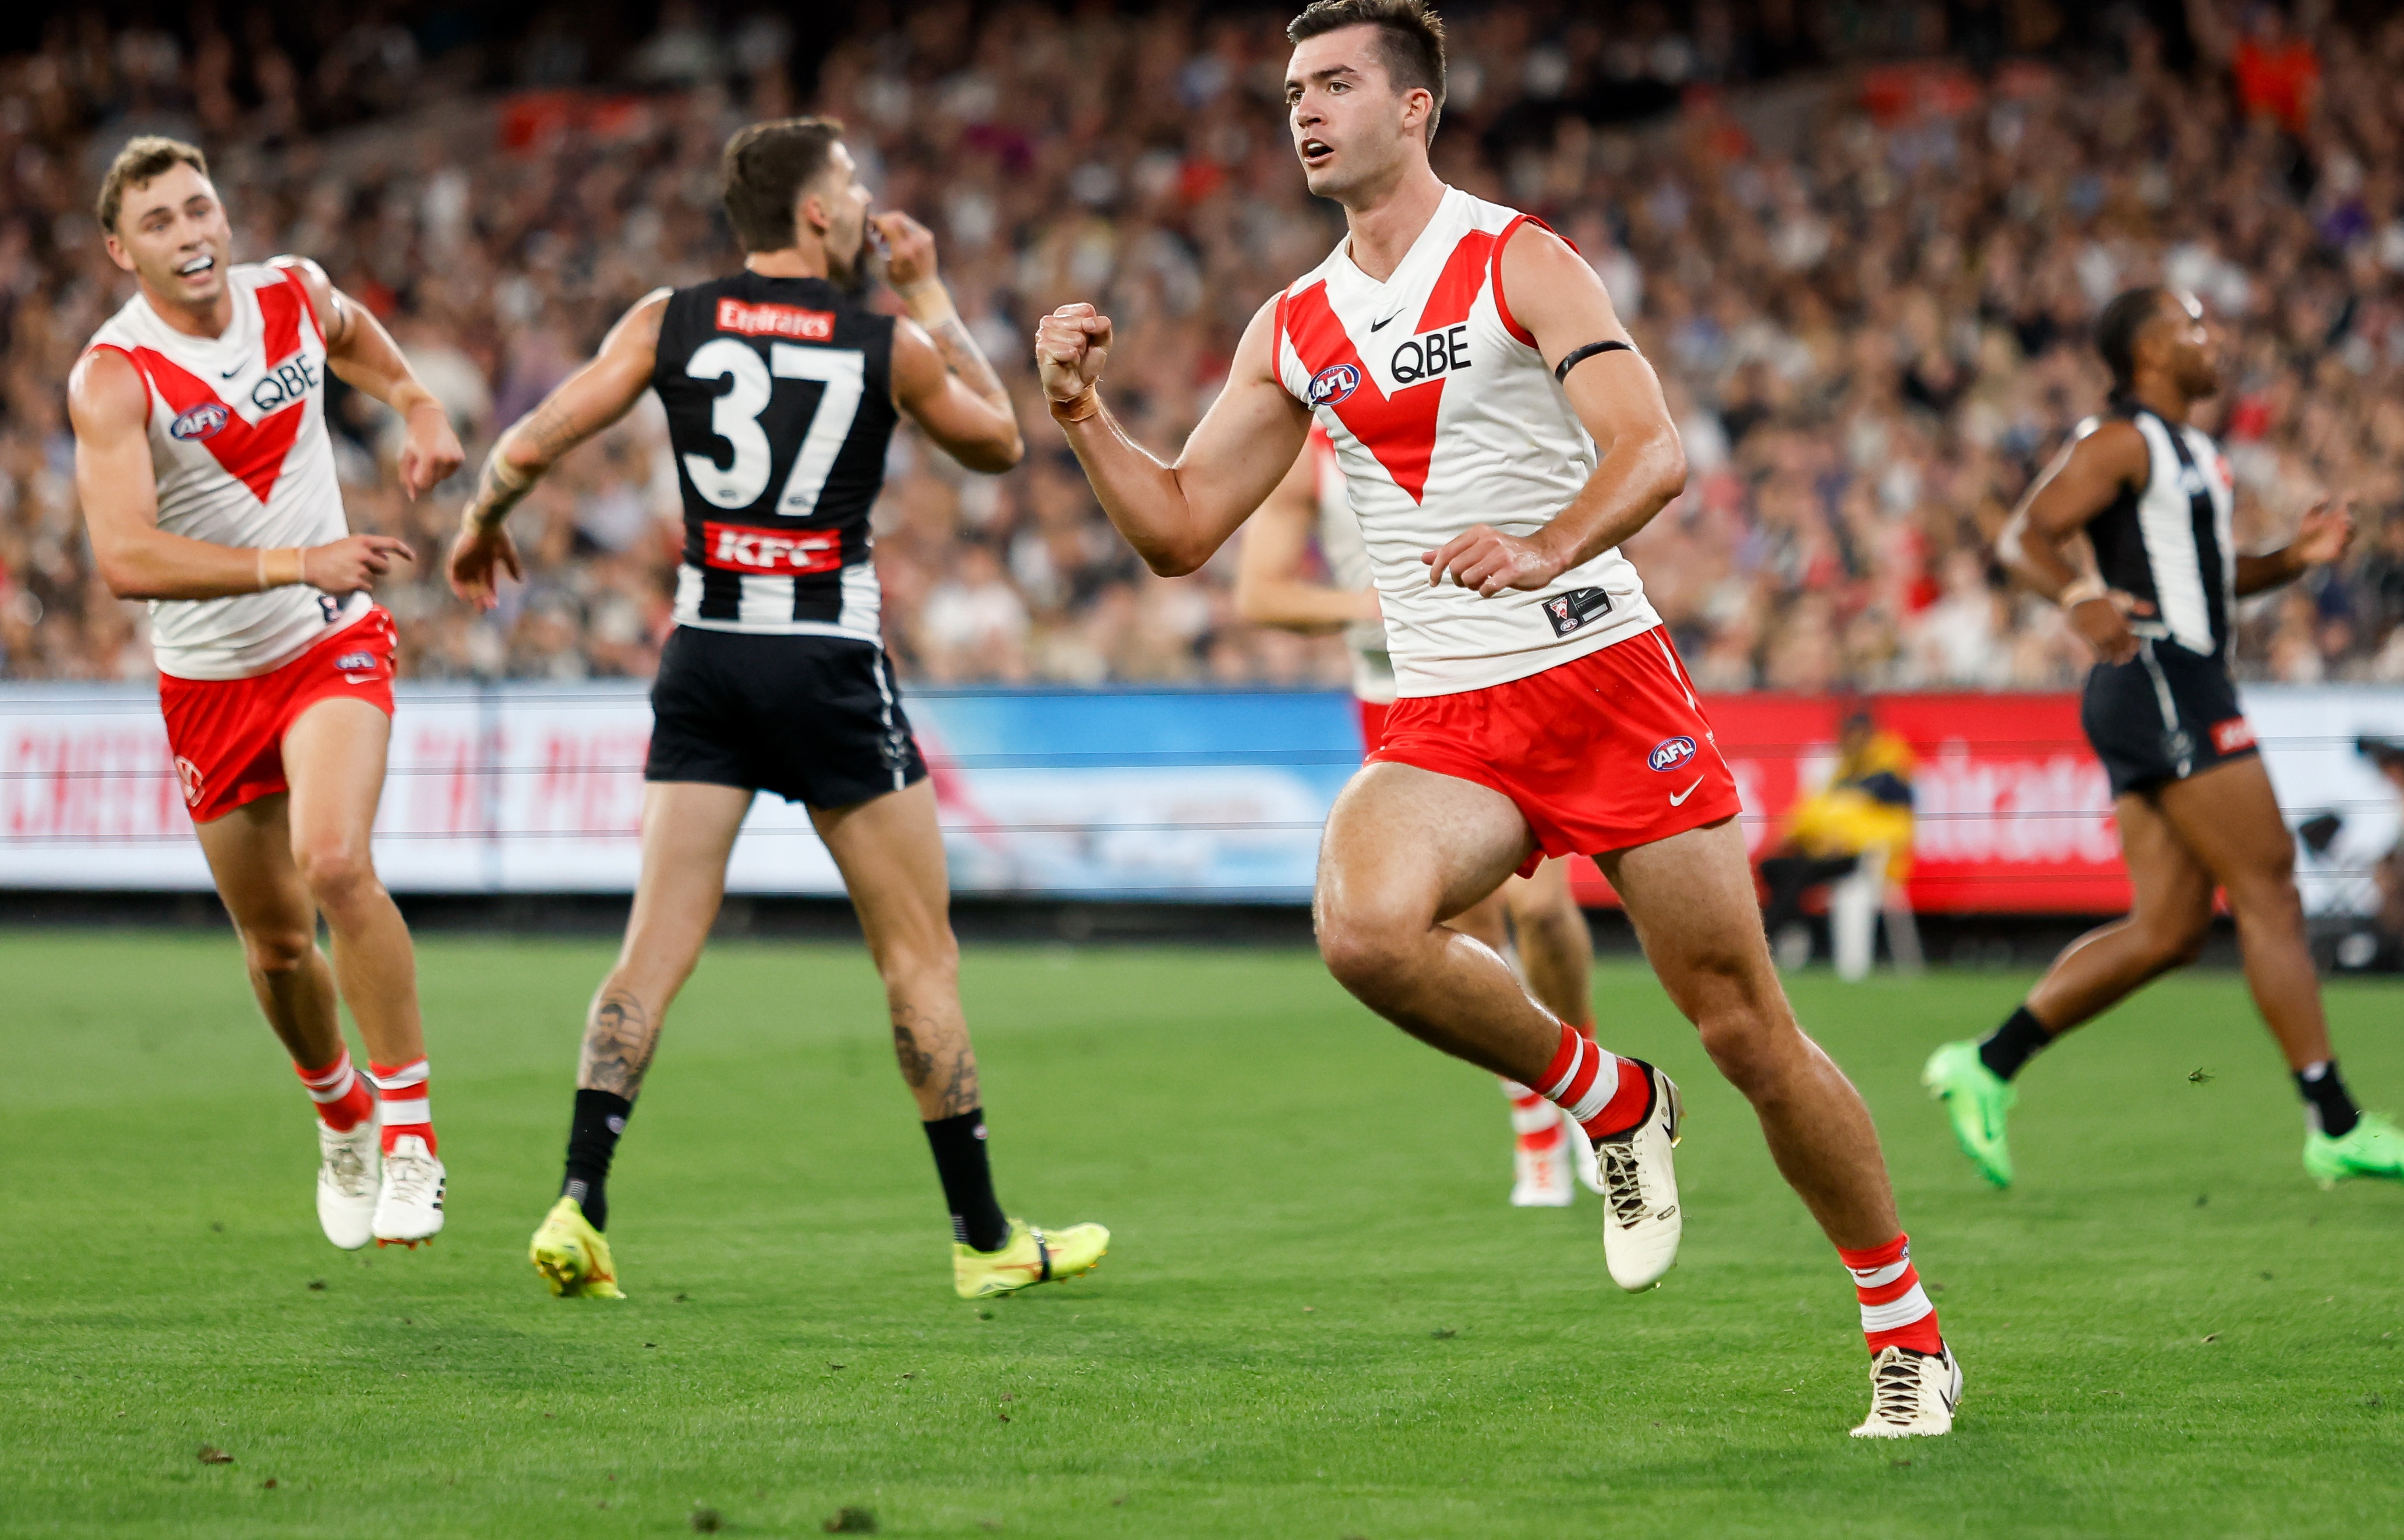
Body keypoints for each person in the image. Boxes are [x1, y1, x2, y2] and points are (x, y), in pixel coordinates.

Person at [1036, 0, 1960, 1437]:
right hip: (1448, 712)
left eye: (1333, 83)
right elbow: (1175, 529)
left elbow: (1648, 450)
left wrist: (1543, 546)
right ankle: (1605, 1100)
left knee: (1744, 1028)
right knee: (1360, 926)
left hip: (1600, 679)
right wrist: (1086, 415)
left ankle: (1901, 1326)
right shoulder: (1290, 325)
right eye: (1290, 89)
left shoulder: (1516, 258)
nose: (1302, 108)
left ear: (1414, 108)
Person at [447, 117, 1107, 1302]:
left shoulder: (668, 318)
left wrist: (481, 521)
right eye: (850, 185)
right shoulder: (884, 340)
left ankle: (578, 1198)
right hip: (825, 656)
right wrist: (933, 289)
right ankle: (984, 1235)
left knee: (651, 949)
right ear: (815, 213)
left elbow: (538, 435)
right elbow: (1003, 442)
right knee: (919, 954)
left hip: (705, 653)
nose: (862, 203)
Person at [1923, 287, 2404, 1192]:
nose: (2213, 341)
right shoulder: (2120, 439)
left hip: (2166, 679)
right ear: (2145, 354)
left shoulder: (2195, 452)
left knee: (2170, 929)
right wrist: (2075, 597)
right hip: (2163, 677)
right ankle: (2333, 1121)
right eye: (2191, 328)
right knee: (2268, 883)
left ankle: (1986, 1063)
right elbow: (2025, 536)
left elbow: (2208, 575)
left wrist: (2291, 560)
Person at [66, 136, 465, 1249]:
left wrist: (420, 405)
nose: (191, 234)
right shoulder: (115, 377)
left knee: (336, 860)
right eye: (161, 222)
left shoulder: (291, 291)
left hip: (329, 638)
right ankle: (338, 1114)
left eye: (201, 209)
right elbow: (125, 559)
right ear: (120, 250)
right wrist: (297, 559)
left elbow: (359, 343)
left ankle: (411, 1142)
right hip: (208, 681)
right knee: (279, 946)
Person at [1238, 427, 1602, 1206]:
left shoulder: (1465, 402)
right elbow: (1258, 593)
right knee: (1468, 934)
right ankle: (1533, 1120)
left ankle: (1590, 1087)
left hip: (1505, 675)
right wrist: (1361, 604)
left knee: (1539, 910)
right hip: (1395, 697)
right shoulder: (1308, 451)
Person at [1756, 709, 1917, 968]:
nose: (1846, 741)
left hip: (1863, 858)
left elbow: (1899, 827)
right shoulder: (1843, 773)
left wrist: (1850, 840)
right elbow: (1816, 811)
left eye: (1852, 734)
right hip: (1827, 853)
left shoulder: (1889, 776)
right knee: (1773, 867)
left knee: (1796, 874)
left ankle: (1769, 943)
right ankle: (1792, 933)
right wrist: (1795, 835)